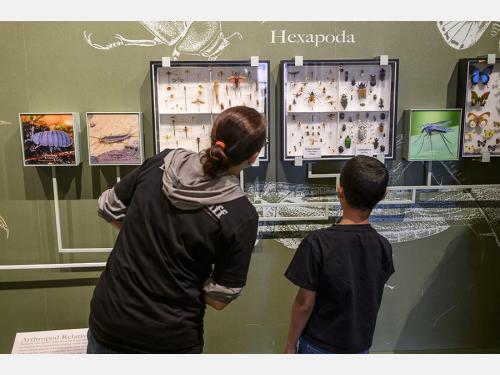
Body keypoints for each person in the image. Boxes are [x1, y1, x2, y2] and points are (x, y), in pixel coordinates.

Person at [87, 106, 266, 354]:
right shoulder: (241, 215)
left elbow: (108, 207)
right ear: (253, 156)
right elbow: (219, 299)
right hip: (171, 337)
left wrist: (141, 238)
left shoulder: (164, 161)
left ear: (213, 135)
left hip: (110, 320)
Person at [283, 155, 395, 354]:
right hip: (359, 347)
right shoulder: (383, 246)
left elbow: (304, 303)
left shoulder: (316, 243)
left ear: (339, 190)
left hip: (318, 345)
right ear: (384, 195)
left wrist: (290, 345)